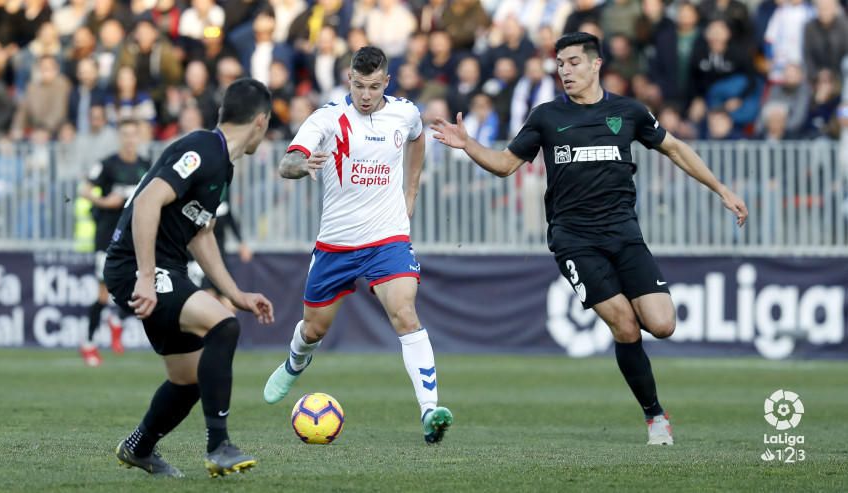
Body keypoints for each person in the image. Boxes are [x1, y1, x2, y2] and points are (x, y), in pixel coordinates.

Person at [431, 32, 748, 446]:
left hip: (625, 234)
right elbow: (506, 165)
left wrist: (721, 188)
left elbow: (675, 149)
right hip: (574, 239)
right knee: (623, 324)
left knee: (662, 324)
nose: (565, 70)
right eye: (560, 63)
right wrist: (469, 145)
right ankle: (655, 417)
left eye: (574, 62)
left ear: (596, 65)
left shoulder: (628, 111)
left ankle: (654, 408)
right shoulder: (545, 116)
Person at [263, 46, 453, 444]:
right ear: (348, 80)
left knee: (404, 312)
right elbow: (287, 162)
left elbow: (417, 138)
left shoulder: (404, 112)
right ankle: (295, 362)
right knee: (314, 329)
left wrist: (411, 189)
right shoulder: (327, 118)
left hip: (388, 237)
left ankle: (430, 411)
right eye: (358, 85)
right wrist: (301, 165)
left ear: (386, 82)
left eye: (373, 86)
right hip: (337, 243)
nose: (365, 95)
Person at [104, 78, 275, 477]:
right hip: (137, 265)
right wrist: (146, 276)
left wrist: (237, 292)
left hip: (166, 268)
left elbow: (201, 233)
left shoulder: (221, 163)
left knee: (188, 378)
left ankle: (139, 447)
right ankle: (219, 447)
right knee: (224, 327)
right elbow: (147, 202)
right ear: (261, 122)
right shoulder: (201, 149)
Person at [79, 119, 151, 367]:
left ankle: (117, 321)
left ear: (139, 137)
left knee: (135, 289)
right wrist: (104, 201)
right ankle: (88, 343)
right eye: (126, 135)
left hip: (135, 239)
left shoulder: (145, 166)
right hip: (108, 238)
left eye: (134, 135)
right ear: (120, 138)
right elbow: (84, 189)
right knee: (103, 292)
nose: (130, 139)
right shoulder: (108, 165)